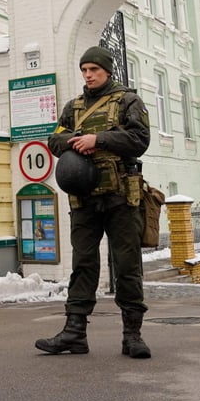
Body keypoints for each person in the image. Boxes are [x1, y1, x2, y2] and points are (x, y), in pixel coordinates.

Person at [35, 45, 153, 358]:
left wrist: (97, 140)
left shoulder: (128, 101)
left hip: (120, 198)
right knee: (83, 263)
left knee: (127, 265)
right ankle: (74, 332)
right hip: (84, 199)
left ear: (107, 71)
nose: (88, 75)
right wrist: (75, 141)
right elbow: (55, 138)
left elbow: (140, 140)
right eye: (84, 70)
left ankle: (132, 335)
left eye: (94, 70)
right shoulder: (73, 107)